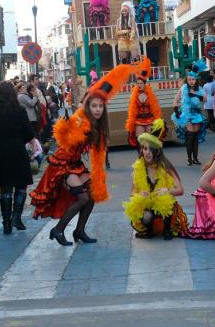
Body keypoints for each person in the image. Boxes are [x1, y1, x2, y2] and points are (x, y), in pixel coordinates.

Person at [30, 62, 142, 246]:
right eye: (94, 106)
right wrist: (79, 117)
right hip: (62, 166)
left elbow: (98, 155)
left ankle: (79, 231)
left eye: (100, 106)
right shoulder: (80, 120)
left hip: (75, 165)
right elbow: (65, 136)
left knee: (91, 195)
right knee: (82, 198)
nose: (98, 109)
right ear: (88, 107)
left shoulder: (98, 126)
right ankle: (58, 230)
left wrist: (99, 179)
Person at [0, 82, 35, 234]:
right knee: (20, 185)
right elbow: (29, 133)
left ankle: (6, 222)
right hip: (17, 151)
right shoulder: (19, 110)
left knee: (5, 188)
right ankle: (16, 217)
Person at [123, 120, 188, 240]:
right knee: (146, 216)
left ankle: (167, 229)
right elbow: (132, 193)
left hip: (166, 208)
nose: (147, 153)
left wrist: (167, 190)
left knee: (165, 201)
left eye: (150, 150)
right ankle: (149, 230)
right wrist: (139, 193)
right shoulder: (139, 168)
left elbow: (180, 190)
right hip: (149, 205)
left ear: (157, 151)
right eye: (145, 149)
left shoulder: (166, 167)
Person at [172, 72, 207, 165]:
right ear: (187, 81)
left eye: (193, 79)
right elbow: (175, 100)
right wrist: (176, 111)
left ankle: (195, 158)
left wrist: (195, 95)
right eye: (189, 80)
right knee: (190, 136)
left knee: (195, 137)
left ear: (196, 80)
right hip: (187, 114)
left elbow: (205, 99)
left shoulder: (199, 89)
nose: (191, 81)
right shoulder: (183, 89)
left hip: (197, 114)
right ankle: (189, 158)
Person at [125, 57, 161, 148]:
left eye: (141, 83)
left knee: (150, 141)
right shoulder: (134, 95)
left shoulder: (150, 94)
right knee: (140, 142)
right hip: (139, 120)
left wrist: (157, 120)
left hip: (149, 119)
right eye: (137, 83)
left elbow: (155, 108)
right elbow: (131, 109)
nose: (139, 85)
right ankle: (141, 159)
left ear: (144, 84)